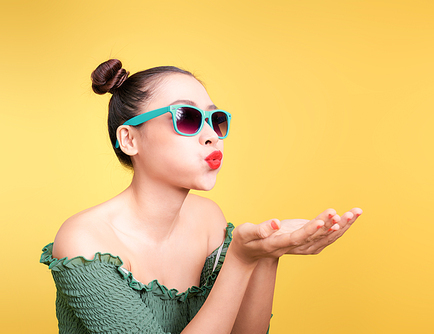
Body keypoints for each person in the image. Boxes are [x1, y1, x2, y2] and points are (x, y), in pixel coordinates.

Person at [40, 58, 363, 334]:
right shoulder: (85, 241)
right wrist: (239, 259)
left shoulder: (208, 218)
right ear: (129, 139)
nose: (211, 136)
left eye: (215, 119)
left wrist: (267, 253)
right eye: (187, 118)